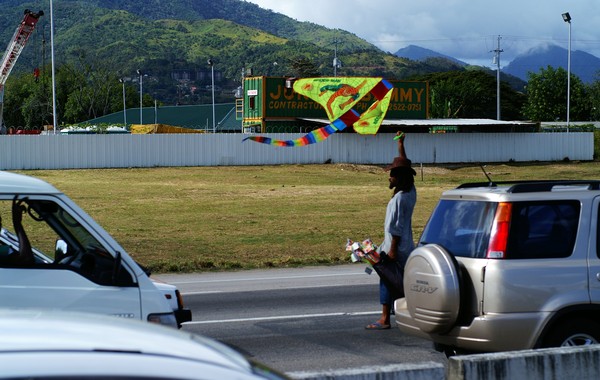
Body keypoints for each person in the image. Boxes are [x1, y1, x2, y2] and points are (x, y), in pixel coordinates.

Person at [366, 131, 417, 330]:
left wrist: (391, 251)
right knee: (397, 280)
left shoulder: (398, 200)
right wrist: (401, 145)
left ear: (399, 178)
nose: (389, 177)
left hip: (396, 247)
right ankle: (402, 311)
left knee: (387, 279)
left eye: (392, 175)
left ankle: (385, 319)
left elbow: (394, 228)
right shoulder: (410, 192)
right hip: (406, 246)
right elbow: (404, 163)